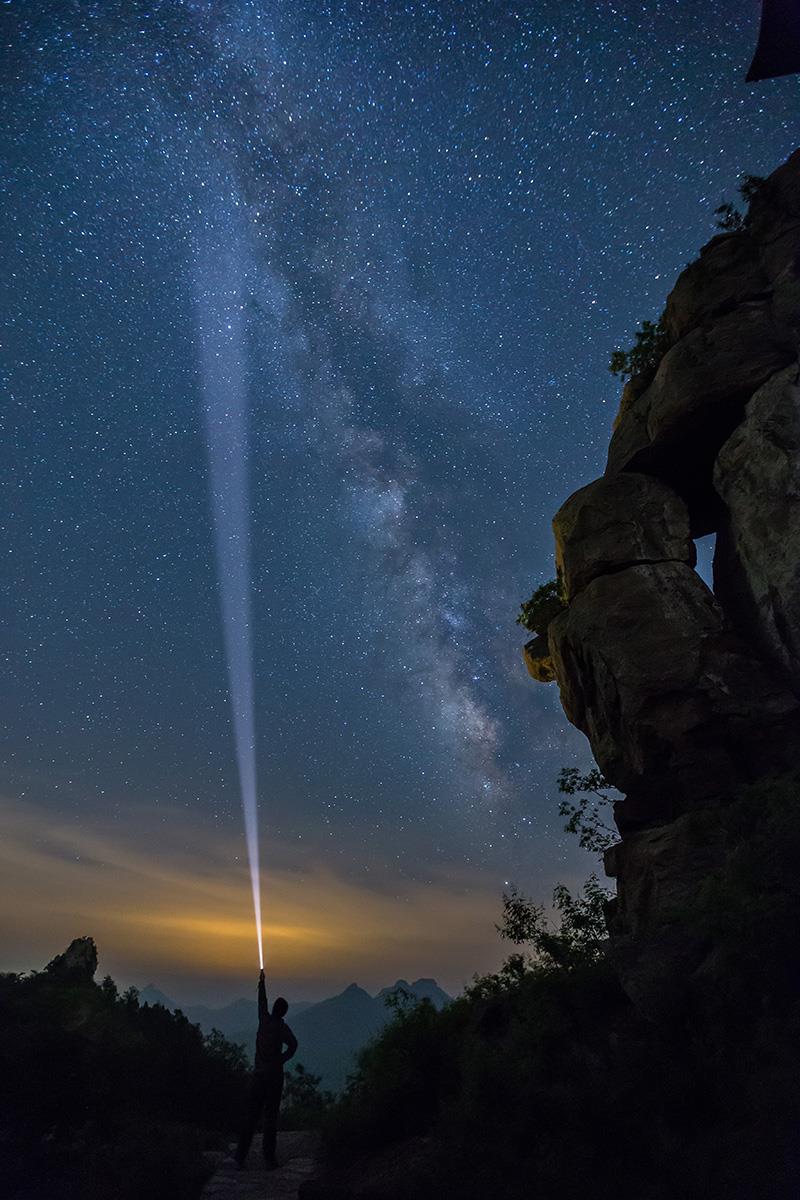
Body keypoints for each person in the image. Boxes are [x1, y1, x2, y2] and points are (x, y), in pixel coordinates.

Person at [235, 968, 298, 1171]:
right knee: (271, 1118)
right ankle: (268, 1158)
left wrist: (262, 982)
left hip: (259, 1076)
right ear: (284, 1012)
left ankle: (240, 1156)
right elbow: (294, 1045)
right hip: (274, 1078)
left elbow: (261, 1001)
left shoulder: (264, 1020)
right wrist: (282, 1059)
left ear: (274, 1009)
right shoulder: (281, 1028)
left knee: (251, 1116)